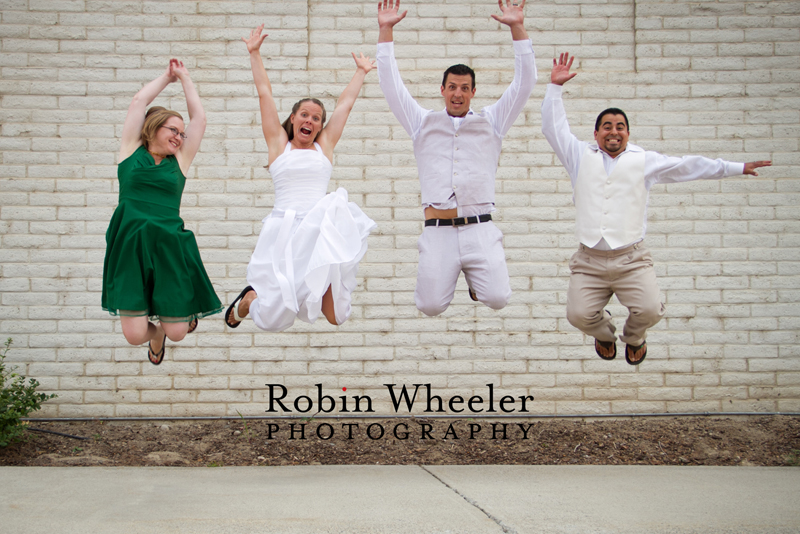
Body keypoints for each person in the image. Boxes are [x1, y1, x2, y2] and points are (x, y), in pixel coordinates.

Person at [542, 52, 772, 365]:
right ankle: (605, 335)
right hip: (589, 259)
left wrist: (735, 167)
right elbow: (553, 128)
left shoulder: (643, 160)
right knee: (578, 315)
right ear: (596, 134)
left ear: (627, 133)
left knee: (650, 310)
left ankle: (634, 338)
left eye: (620, 126)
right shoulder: (579, 156)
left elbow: (688, 166)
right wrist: (555, 87)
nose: (613, 131)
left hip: (631, 257)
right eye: (606, 126)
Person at [376, 0, 537, 317]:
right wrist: (385, 30)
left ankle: (478, 281)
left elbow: (524, 84)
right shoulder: (422, 123)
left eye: (465, 88)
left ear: (473, 92)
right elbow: (391, 85)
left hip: (480, 227)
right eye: (452, 87)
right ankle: (455, 272)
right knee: (430, 306)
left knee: (498, 298)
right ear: (442, 90)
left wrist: (517, 28)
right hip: (439, 229)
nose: (458, 93)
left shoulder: (492, 122)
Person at [225, 25, 377, 332]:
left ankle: (312, 284)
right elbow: (264, 93)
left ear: (321, 126)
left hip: (320, 230)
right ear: (293, 118)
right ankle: (247, 301)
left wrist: (361, 72)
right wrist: (254, 53)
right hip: (285, 229)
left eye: (317, 117)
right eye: (304, 114)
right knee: (274, 318)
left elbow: (345, 106)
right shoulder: (279, 146)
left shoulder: (324, 147)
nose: (310, 120)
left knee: (336, 316)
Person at [102, 59, 222, 365]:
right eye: (174, 130)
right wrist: (167, 77)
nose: (179, 137)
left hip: (168, 247)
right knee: (133, 333)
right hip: (130, 247)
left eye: (182, 134)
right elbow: (139, 101)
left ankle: (172, 328)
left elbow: (200, 119)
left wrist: (185, 79)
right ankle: (156, 336)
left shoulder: (179, 161)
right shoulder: (130, 151)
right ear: (154, 127)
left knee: (179, 331)